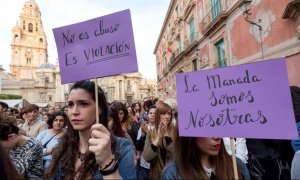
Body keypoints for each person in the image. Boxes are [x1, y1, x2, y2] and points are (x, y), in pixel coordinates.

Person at [46, 80, 136, 179]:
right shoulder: (62, 146)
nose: (74, 112)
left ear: (100, 109)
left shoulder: (122, 147)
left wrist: (107, 163)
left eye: (83, 104)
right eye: (70, 105)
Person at [162, 132, 244, 179]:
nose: (218, 137)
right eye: (209, 129)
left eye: (219, 128)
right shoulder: (173, 173)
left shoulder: (236, 165)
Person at [143, 102, 175, 179]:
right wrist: (158, 138)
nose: (167, 117)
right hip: (156, 175)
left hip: (173, 175)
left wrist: (167, 135)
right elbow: (147, 157)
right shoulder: (151, 132)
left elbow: (177, 155)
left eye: (169, 114)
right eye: (163, 114)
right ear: (158, 115)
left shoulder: (176, 131)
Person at [136, 105, 156, 180]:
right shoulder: (142, 128)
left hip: (157, 163)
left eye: (155, 113)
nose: (153, 115)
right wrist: (143, 134)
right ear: (147, 115)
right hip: (145, 164)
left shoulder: (161, 128)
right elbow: (138, 146)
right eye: (150, 113)